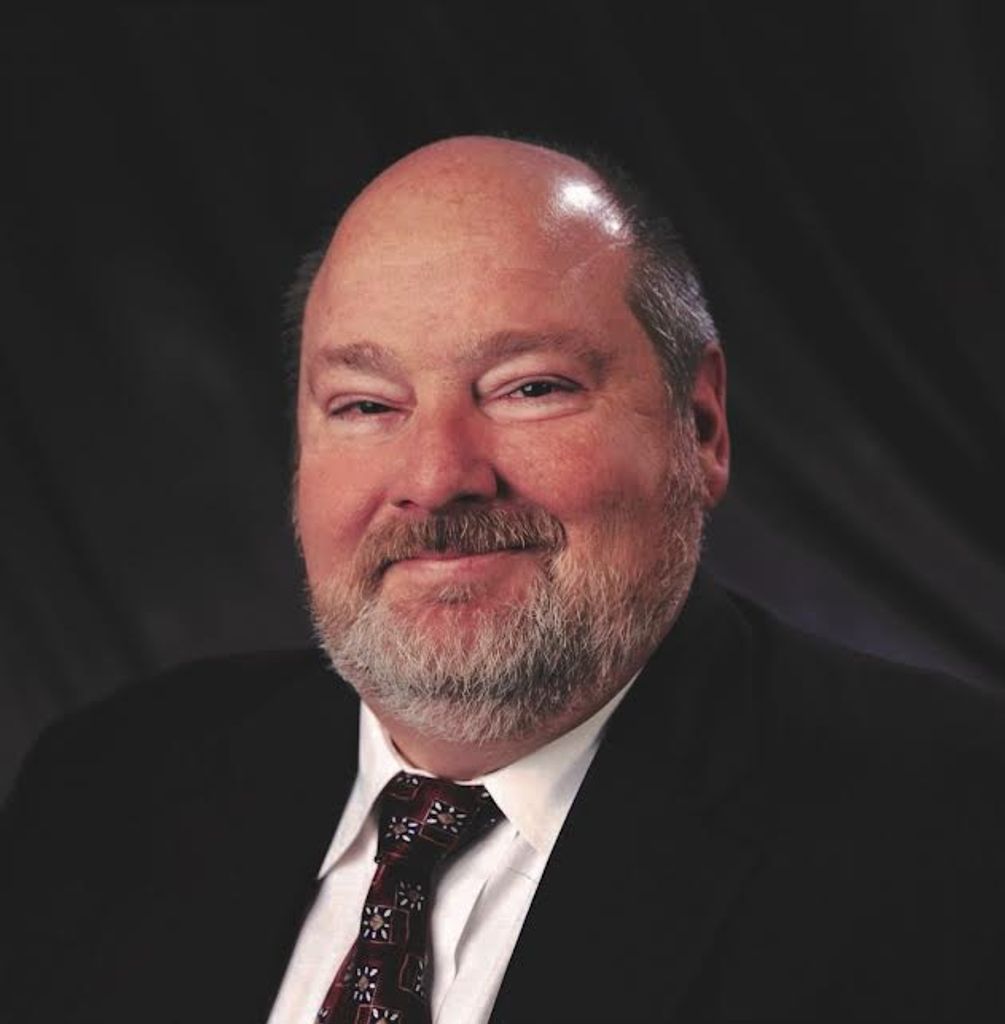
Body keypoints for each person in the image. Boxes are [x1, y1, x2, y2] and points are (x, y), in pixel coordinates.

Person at [4, 135, 1005, 1024]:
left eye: (530, 387)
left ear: (699, 427)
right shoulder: (104, 787)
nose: (437, 476)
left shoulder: (958, 834)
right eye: (365, 404)